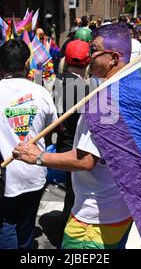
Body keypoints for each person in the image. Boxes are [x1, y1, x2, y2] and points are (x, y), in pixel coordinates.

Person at [13, 23, 133, 249]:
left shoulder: (103, 100)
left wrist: (38, 157)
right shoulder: (129, 88)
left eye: (95, 50)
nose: (90, 55)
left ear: (113, 59)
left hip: (94, 219)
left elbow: (85, 159)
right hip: (121, 208)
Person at [0, 39, 58, 249]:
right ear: (27, 64)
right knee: (26, 227)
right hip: (33, 173)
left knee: (5, 226)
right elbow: (50, 127)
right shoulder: (41, 93)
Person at [54, 40, 90, 247]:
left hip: (63, 145)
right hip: (76, 149)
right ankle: (65, 238)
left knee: (71, 193)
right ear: (87, 62)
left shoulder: (57, 81)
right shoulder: (86, 90)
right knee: (75, 196)